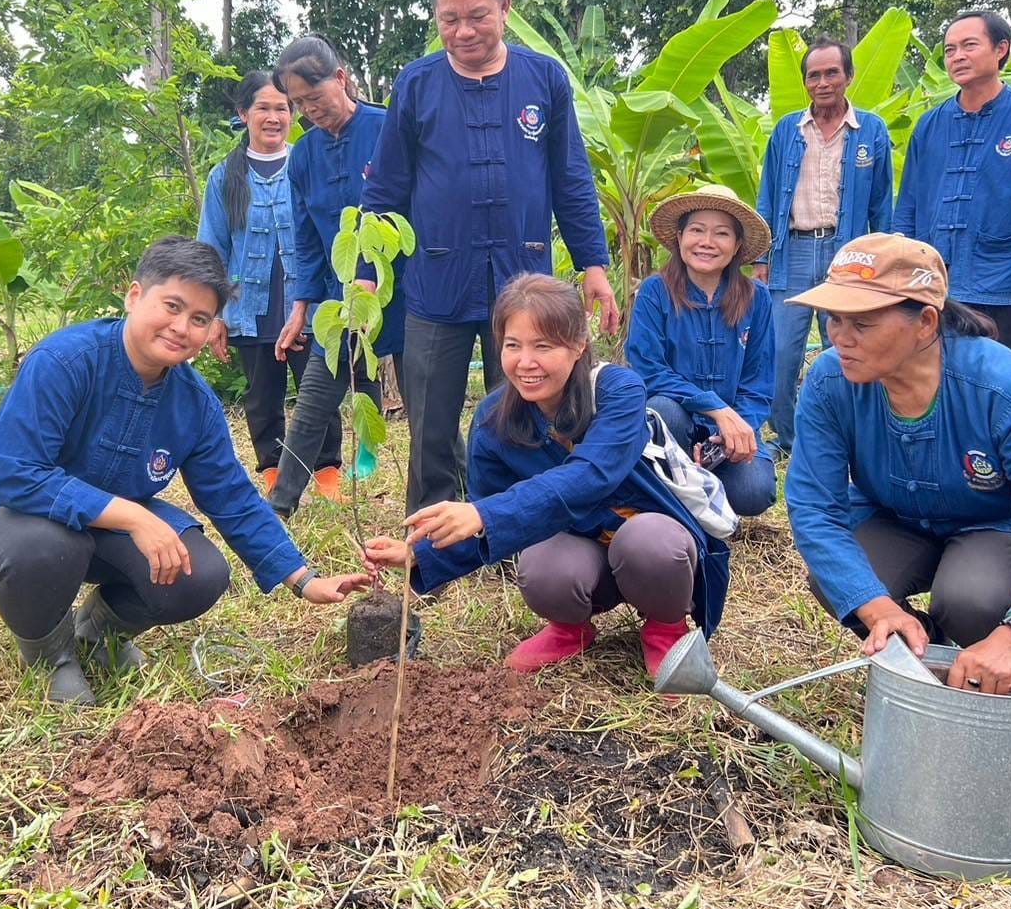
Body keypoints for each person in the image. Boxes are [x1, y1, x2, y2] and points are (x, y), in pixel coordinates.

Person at [0, 237, 372, 705]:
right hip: (2, 514)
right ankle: (50, 655)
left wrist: (303, 579)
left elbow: (233, 498)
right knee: (48, 545)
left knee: (199, 573)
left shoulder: (194, 402)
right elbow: (20, 476)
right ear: (134, 296)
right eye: (172, 306)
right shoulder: (65, 361)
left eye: (200, 319)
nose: (181, 327)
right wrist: (136, 517)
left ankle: (97, 634)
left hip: (101, 528)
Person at [783, 232, 1011, 695]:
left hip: (994, 528)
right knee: (842, 576)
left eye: (862, 323)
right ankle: (930, 660)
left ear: (925, 322)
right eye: (834, 319)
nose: (840, 338)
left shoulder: (1006, 392)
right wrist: (878, 609)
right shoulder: (829, 381)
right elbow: (816, 509)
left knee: (970, 596)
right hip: (895, 518)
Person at [363, 274, 730, 681]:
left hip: (649, 550)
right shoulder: (491, 422)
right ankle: (569, 628)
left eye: (544, 346)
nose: (525, 362)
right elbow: (488, 529)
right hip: (584, 558)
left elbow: (592, 475)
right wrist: (419, 555)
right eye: (512, 345)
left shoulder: (617, 391)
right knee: (540, 565)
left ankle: (665, 629)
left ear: (578, 344)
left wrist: (484, 514)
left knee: (651, 544)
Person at [359, 0, 617, 515]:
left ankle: (512, 521)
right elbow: (385, 192)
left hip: (523, 282)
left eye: (476, 15)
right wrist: (366, 277)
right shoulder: (415, 84)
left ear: (504, 7)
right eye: (448, 19)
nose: (463, 31)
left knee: (521, 413)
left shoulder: (544, 79)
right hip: (436, 282)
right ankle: (432, 528)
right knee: (430, 418)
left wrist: (594, 264)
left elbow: (571, 178)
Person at [268, 35, 405, 518]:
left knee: (428, 405)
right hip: (339, 298)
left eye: (314, 97)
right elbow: (306, 238)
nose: (309, 110)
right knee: (313, 401)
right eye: (298, 103)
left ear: (342, 78)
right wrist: (300, 309)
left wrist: (374, 275)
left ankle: (461, 500)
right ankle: (280, 504)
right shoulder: (302, 156)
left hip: (404, 294)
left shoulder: (389, 129)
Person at [198, 72, 340, 494]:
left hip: (311, 304)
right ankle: (274, 472)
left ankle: (329, 472)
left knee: (319, 390)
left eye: (283, 107)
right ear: (244, 114)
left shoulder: (308, 162)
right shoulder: (224, 177)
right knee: (262, 397)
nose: (274, 116)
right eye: (264, 107)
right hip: (250, 306)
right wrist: (214, 315)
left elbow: (330, 233)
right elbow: (212, 249)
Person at [894, 10, 1011, 358]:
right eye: (949, 49)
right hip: (932, 286)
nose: (957, 56)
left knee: (999, 388)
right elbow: (907, 208)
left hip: (998, 284)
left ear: (1001, 49)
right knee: (931, 385)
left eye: (969, 46)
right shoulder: (929, 126)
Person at [754, 37, 894, 452]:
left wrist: (884, 261)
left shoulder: (871, 130)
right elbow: (768, 194)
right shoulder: (787, 131)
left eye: (832, 72)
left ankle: (849, 436)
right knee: (781, 353)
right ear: (805, 82)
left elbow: (882, 203)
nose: (823, 82)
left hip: (846, 252)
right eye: (813, 75)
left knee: (846, 348)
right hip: (792, 251)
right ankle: (787, 435)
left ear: (848, 76)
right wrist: (761, 256)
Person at [626, 185, 777, 517]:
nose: (707, 242)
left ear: (737, 245)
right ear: (680, 237)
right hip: (675, 425)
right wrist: (715, 409)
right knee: (661, 409)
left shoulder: (757, 298)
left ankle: (696, 481)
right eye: (697, 230)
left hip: (728, 431)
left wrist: (732, 430)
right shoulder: (655, 292)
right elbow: (648, 371)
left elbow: (759, 383)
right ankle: (675, 489)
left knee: (755, 493)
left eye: (721, 233)